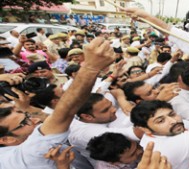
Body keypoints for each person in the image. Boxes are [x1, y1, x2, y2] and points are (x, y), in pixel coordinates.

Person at [0, 36, 116, 168]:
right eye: (25, 122)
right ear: (6, 139)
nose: (36, 120)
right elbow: (66, 112)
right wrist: (91, 67)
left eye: (27, 116)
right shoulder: (28, 154)